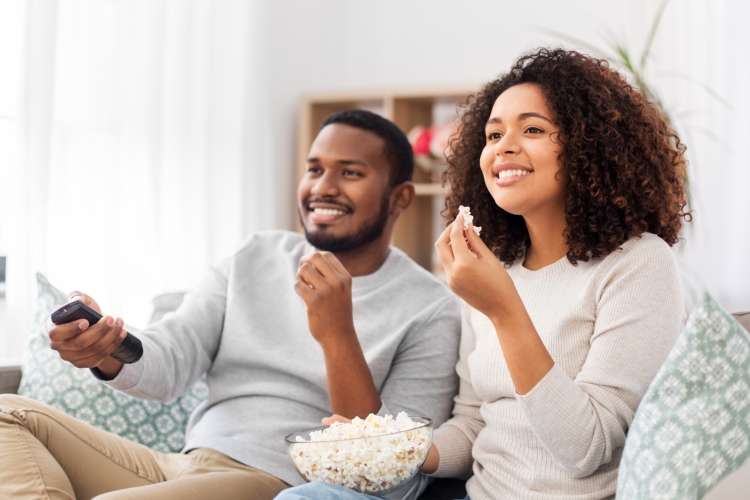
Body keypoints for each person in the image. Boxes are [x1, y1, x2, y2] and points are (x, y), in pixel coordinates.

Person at [276, 48, 689, 500]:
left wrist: (505, 310)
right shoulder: (494, 267)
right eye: (493, 135)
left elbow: (586, 449)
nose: (504, 147)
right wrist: (393, 447)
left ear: (590, 145)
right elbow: (475, 423)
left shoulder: (637, 265)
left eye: (533, 129)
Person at [0, 110, 461, 500]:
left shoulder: (430, 308)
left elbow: (390, 468)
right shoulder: (256, 256)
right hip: (185, 465)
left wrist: (337, 333)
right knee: (8, 414)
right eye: (315, 168)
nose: (324, 187)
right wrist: (106, 348)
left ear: (400, 197)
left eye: (351, 172)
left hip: (275, 481)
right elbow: (172, 357)